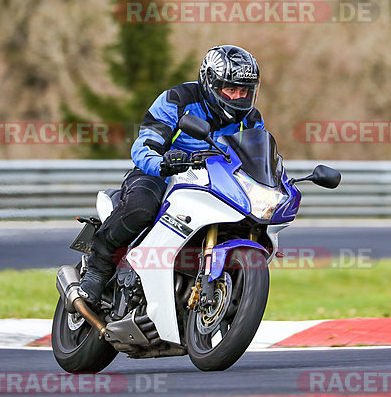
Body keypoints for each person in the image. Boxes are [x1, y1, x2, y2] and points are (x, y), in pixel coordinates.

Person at [78, 44, 264, 304]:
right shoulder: (178, 99)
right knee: (141, 208)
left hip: (215, 185)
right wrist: (163, 162)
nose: (237, 97)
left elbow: (257, 159)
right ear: (211, 83)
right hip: (163, 176)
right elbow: (145, 144)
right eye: (230, 89)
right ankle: (97, 270)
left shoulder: (252, 120)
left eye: (244, 91)